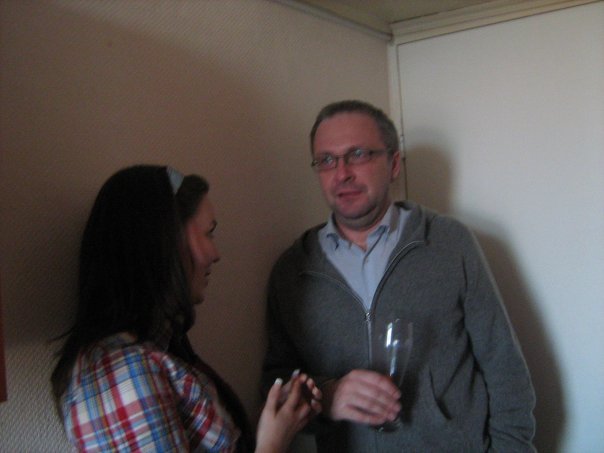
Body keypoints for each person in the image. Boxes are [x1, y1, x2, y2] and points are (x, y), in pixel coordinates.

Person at [262, 100, 536, 452]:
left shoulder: (449, 244)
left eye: (357, 154)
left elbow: (505, 371)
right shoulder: (292, 271)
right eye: (327, 160)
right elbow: (275, 386)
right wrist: (327, 396)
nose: (341, 173)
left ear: (393, 164)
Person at [51, 165, 321, 452]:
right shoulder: (123, 378)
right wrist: (274, 443)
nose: (215, 254)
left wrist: (273, 422)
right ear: (164, 243)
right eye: (208, 233)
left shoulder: (159, 348)